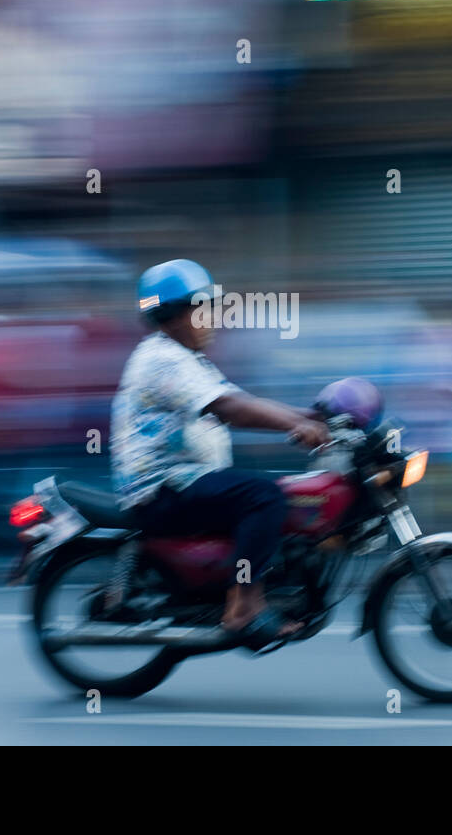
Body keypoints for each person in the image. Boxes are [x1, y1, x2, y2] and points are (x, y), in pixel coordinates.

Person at [111, 259, 328, 648]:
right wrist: (296, 426)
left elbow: (241, 400)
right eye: (202, 309)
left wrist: (315, 416)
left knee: (271, 491)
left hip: (185, 478)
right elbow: (228, 409)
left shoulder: (189, 358)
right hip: (160, 489)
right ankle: (244, 608)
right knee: (262, 496)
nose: (213, 318)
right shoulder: (163, 360)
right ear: (170, 314)